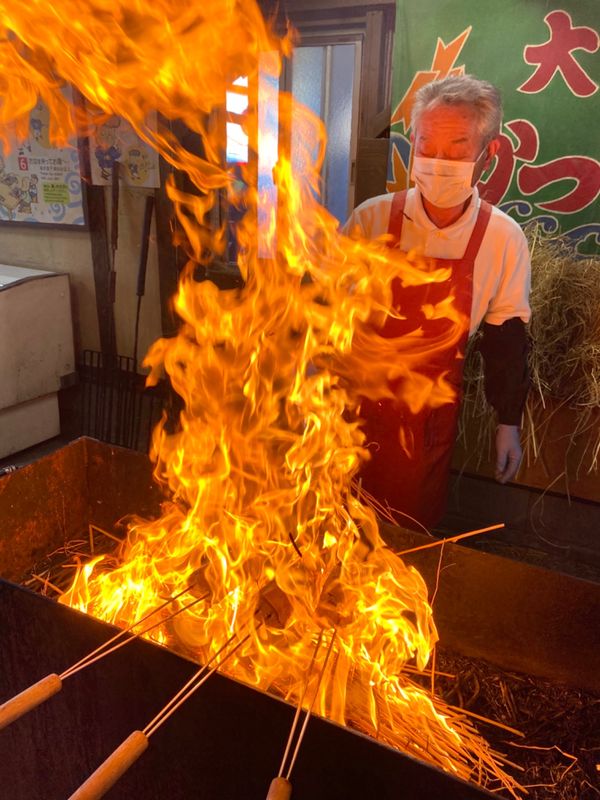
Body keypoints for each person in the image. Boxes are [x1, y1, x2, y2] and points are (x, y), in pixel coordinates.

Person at [343, 75, 530, 530]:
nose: (438, 161)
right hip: (348, 414)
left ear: (487, 153)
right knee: (334, 537)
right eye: (426, 146)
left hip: (427, 426)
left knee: (407, 542)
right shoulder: (371, 219)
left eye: (457, 149)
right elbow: (326, 317)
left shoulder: (503, 239)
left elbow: (507, 341)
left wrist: (509, 422)